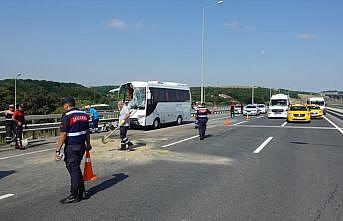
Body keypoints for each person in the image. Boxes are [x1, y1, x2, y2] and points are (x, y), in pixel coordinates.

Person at [55, 97, 92, 204]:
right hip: (81, 146)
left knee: (73, 169)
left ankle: (74, 195)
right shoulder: (84, 114)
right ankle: (82, 191)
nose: (64, 108)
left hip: (72, 146)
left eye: (64, 106)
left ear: (66, 105)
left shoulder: (67, 115)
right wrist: (88, 144)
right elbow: (87, 131)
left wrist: (58, 149)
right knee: (76, 168)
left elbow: (63, 133)